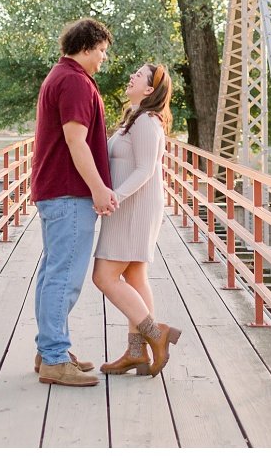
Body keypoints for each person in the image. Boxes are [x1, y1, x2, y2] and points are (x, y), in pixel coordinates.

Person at [31, 18, 117, 387]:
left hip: (57, 191)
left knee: (53, 273)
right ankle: (53, 357)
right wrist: (98, 188)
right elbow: (75, 141)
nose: (102, 60)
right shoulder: (76, 82)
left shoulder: (60, 76)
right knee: (64, 277)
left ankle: (50, 349)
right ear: (88, 45)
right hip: (69, 192)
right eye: (101, 52)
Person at [90, 62, 182, 378]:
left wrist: (114, 197)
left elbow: (145, 169)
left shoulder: (145, 122)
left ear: (149, 90)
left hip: (133, 208)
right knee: (136, 278)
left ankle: (156, 335)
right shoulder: (136, 119)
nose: (132, 75)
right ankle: (135, 353)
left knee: (103, 276)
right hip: (134, 206)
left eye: (140, 75)